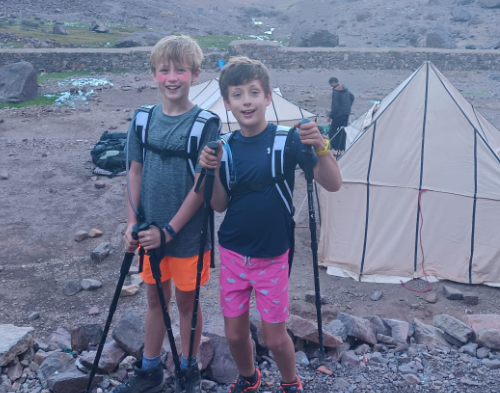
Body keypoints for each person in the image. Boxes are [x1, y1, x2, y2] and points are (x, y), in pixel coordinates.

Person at [198, 57, 342, 393]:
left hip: (272, 256)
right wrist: (210, 170)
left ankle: (290, 383)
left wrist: (321, 147)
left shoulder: (287, 140)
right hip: (233, 251)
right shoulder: (225, 148)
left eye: (253, 92)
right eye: (237, 94)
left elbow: (332, 183)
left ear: (268, 98)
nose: (246, 100)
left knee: (275, 337)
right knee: (234, 333)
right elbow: (218, 203)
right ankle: (249, 378)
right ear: (227, 102)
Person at [118, 35, 221, 393]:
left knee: (187, 302)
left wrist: (170, 232)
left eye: (181, 70)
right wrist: (132, 224)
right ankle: (150, 371)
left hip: (187, 236)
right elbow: (134, 171)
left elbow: (201, 185)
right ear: (154, 74)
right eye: (165, 70)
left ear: (195, 74)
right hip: (148, 232)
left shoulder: (206, 123)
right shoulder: (143, 119)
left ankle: (188, 370)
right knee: (153, 298)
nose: (172, 77)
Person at [327, 77, 354, 155]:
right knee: (343, 130)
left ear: (333, 83)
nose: (331, 86)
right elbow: (352, 97)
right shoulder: (345, 89)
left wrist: (331, 116)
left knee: (332, 131)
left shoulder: (336, 91)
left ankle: (336, 149)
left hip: (338, 114)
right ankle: (342, 148)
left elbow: (335, 105)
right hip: (346, 114)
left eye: (330, 84)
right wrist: (348, 107)